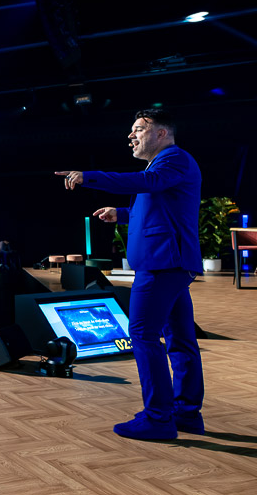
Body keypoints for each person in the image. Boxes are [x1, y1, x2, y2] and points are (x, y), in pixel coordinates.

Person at [56, 108, 205, 440]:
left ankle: (158, 419)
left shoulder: (173, 159)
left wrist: (89, 176)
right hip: (171, 263)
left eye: (139, 128)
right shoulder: (163, 166)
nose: (131, 135)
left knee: (143, 335)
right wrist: (121, 213)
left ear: (161, 133)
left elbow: (149, 184)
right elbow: (158, 203)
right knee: (180, 339)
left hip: (162, 264)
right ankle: (187, 414)